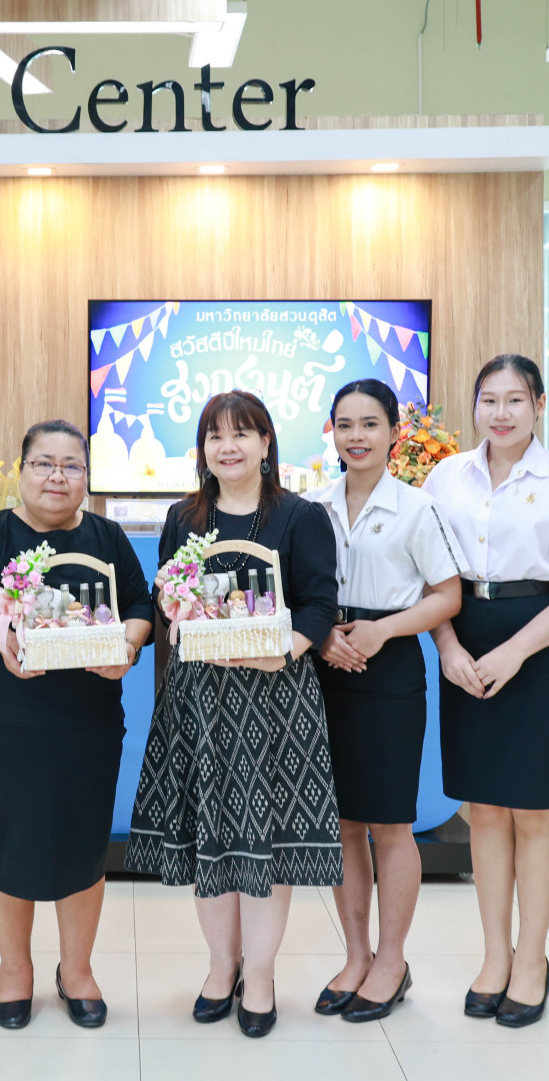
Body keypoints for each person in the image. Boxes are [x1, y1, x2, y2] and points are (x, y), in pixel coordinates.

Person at [126, 390, 341, 1040]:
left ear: (266, 443)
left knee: (267, 844)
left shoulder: (300, 517)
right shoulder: (183, 518)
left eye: (242, 433)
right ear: (203, 450)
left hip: (277, 696)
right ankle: (222, 966)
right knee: (211, 838)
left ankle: (261, 976)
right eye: (215, 435)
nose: (228, 446)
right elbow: (166, 597)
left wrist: (283, 650)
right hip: (201, 698)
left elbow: (319, 603)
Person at [0, 419, 152, 1031]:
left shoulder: (106, 536)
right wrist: (1, 637)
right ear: (23, 470)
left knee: (83, 845)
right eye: (44, 464)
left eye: (71, 465)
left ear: (86, 476)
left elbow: (140, 606)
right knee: (6, 846)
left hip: (87, 724)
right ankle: (15, 972)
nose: (58, 476)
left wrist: (128, 646)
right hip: (6, 725)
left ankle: (76, 970)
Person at [424, 355, 549, 1028]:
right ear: (474, 405)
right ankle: (494, 956)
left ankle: (532, 960)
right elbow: (430, 576)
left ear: (538, 404)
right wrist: (448, 647)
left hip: (536, 639)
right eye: (488, 400)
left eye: (515, 400)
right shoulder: (446, 477)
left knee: (533, 809)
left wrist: (514, 651)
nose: (500, 413)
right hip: (462, 636)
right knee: (481, 808)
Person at [308, 379, 463, 1023]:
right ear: (332, 433)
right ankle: (355, 956)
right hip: (324, 665)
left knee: (390, 823)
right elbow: (299, 591)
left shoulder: (417, 508)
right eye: (344, 425)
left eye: (369, 424)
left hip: (389, 664)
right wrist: (322, 637)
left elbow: (447, 596)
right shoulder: (312, 508)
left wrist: (383, 630)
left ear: (393, 432)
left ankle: (392, 961)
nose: (357, 436)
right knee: (343, 822)